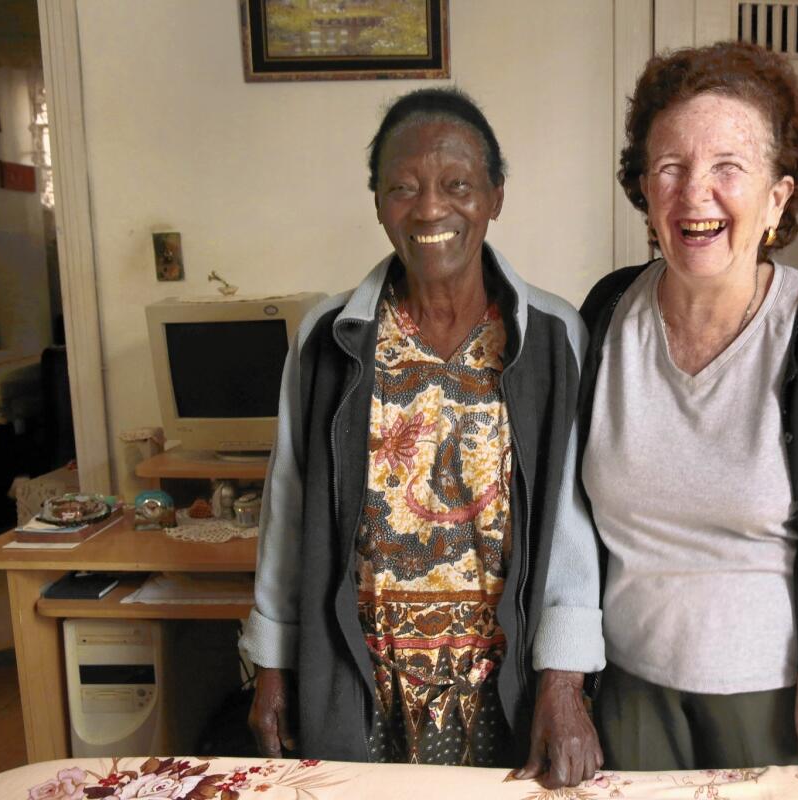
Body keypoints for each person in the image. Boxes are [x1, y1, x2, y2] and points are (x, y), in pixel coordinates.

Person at [240, 87, 604, 789]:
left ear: (496, 196)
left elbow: (573, 530)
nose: (431, 208)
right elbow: (287, 513)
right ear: (378, 202)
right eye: (403, 187)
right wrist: (273, 663)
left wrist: (565, 684)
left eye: (458, 185)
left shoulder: (555, 338)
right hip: (361, 679)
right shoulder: (327, 337)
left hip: (505, 688)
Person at [578, 42, 798, 770]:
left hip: (776, 693)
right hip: (628, 687)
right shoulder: (607, 312)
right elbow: (569, 516)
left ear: (778, 195)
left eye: (729, 167)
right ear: (644, 189)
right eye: (670, 167)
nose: (695, 193)